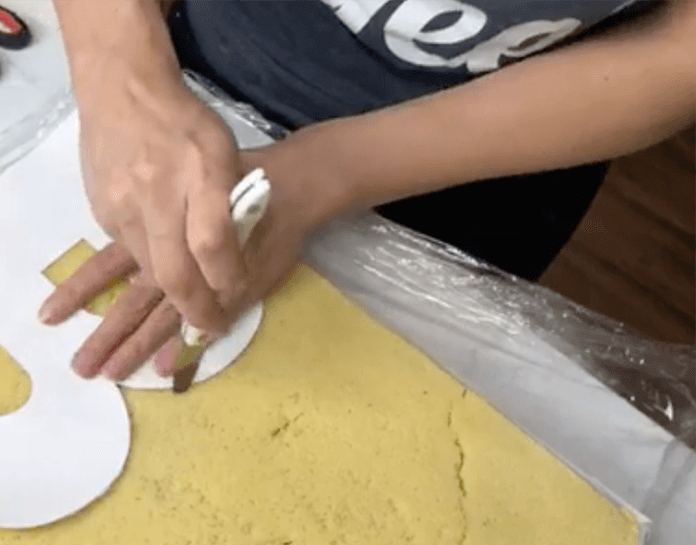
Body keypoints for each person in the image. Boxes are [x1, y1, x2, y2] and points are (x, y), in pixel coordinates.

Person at [39, 0, 694, 382]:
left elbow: (678, 51)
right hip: (221, 51)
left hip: (492, 149)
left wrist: (334, 169)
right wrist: (117, 69)